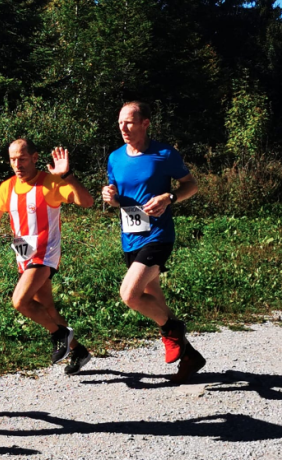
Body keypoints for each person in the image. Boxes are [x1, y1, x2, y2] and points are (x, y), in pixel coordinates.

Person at [102, 101, 206, 384]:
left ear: (145, 123)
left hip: (158, 235)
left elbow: (191, 186)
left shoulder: (164, 154)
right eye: (120, 122)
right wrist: (110, 197)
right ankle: (190, 356)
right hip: (130, 237)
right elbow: (116, 195)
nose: (123, 128)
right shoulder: (115, 157)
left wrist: (169, 197)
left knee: (130, 294)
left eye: (130, 122)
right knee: (154, 299)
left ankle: (173, 329)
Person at [0, 139, 94, 375]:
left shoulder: (50, 183)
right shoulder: (7, 186)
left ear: (34, 158)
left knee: (20, 301)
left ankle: (59, 334)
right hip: (24, 254)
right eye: (12, 159)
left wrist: (68, 176)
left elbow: (87, 202)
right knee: (48, 309)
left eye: (22, 159)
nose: (17, 164)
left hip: (45, 254)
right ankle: (78, 350)